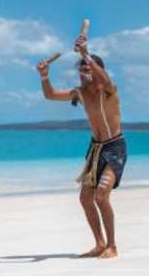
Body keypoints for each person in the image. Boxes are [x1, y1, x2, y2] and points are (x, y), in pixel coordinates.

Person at [36, 33, 126, 258]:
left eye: (87, 69)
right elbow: (51, 95)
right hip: (96, 149)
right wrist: (44, 76)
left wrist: (86, 53)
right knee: (85, 198)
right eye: (81, 69)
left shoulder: (108, 90)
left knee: (102, 195)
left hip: (115, 148)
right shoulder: (81, 93)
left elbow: (104, 78)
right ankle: (99, 244)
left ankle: (112, 246)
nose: (83, 72)